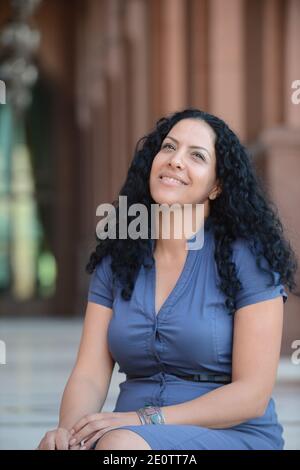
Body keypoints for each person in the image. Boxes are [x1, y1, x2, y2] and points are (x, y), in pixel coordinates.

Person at [37, 108, 298, 450]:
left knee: (120, 449)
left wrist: (145, 419)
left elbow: (252, 394)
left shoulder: (248, 259)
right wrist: (70, 432)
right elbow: (88, 374)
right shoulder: (119, 260)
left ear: (217, 185)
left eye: (197, 155)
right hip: (127, 435)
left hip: (229, 434)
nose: (176, 161)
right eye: (169, 147)